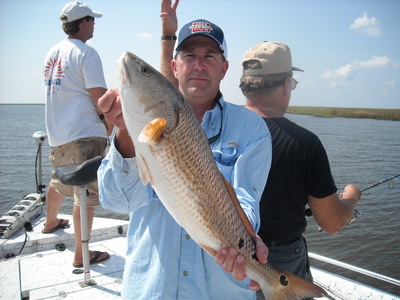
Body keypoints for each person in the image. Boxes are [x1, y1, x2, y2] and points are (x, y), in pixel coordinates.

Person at [97, 2, 272, 299]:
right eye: (189, 55)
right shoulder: (136, 126)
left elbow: (246, 201)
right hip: (151, 289)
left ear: (224, 68)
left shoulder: (251, 129)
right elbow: (116, 201)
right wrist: (126, 135)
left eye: (209, 56)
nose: (199, 64)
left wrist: (245, 242)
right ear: (175, 66)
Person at [239, 41, 362, 300]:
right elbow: (331, 223)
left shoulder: (217, 129)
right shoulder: (305, 144)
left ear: (246, 85)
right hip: (280, 262)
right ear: (286, 85)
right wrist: (351, 197)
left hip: (226, 253)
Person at [42, 1, 111, 268]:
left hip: (57, 133)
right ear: (83, 22)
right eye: (92, 20)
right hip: (84, 132)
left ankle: (50, 222)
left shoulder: (51, 52)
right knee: (85, 194)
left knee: (58, 178)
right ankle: (82, 255)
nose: (94, 24)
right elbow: (99, 98)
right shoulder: (87, 53)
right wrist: (109, 124)